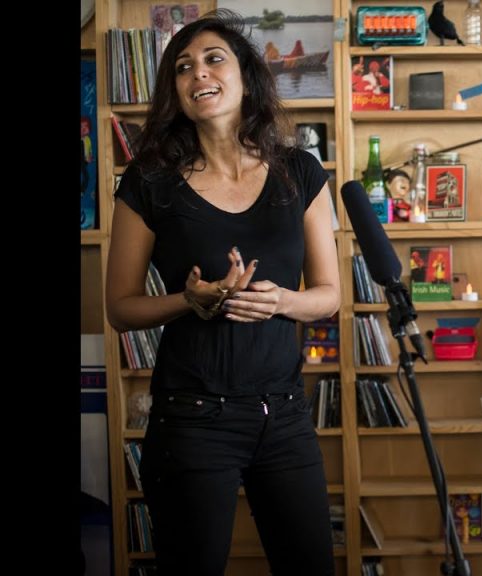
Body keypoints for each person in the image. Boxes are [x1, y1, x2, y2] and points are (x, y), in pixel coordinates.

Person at [104, 11, 339, 576]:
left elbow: (329, 294)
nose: (198, 74)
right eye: (183, 67)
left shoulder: (301, 172)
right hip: (192, 421)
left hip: (283, 418)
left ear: (245, 76)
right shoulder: (147, 182)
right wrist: (191, 301)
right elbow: (119, 308)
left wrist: (280, 300)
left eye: (214, 59)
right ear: (175, 90)